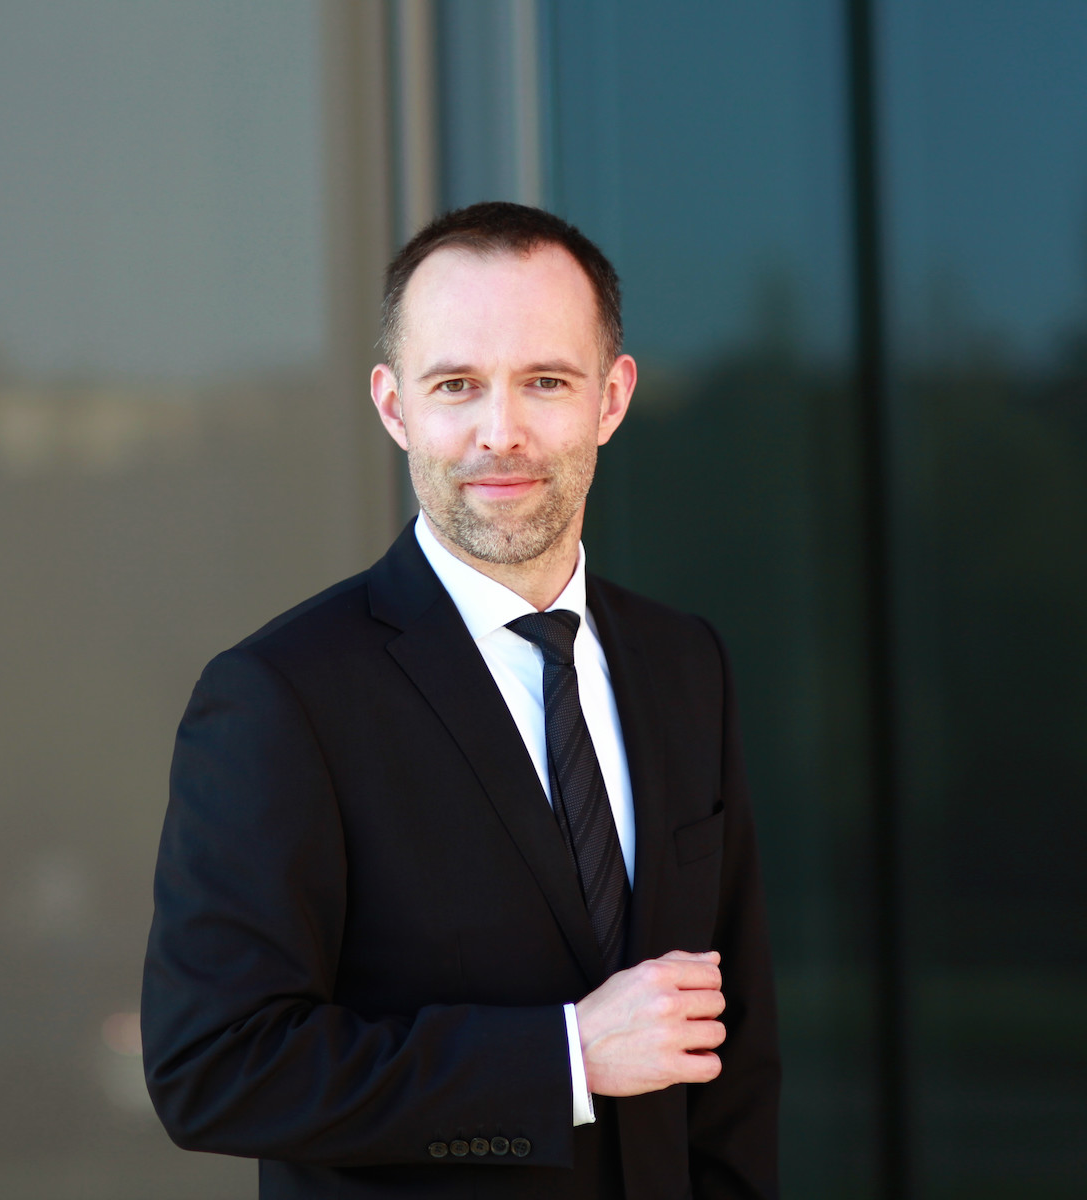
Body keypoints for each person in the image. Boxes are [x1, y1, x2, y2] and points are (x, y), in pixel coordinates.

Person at [142, 201, 780, 1199]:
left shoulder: (684, 662)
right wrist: (563, 1059)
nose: (501, 431)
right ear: (395, 407)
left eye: (545, 382)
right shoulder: (280, 696)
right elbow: (216, 1071)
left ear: (612, 399)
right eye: (457, 386)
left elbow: (731, 1056)